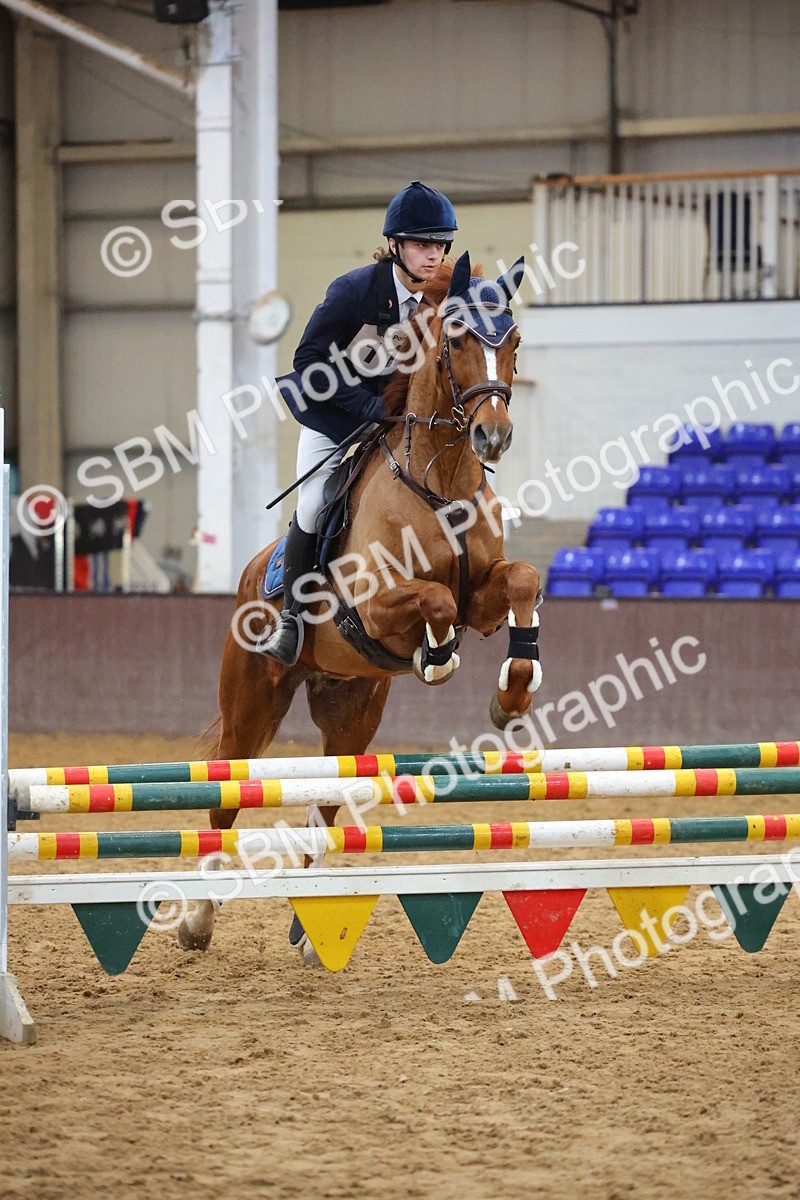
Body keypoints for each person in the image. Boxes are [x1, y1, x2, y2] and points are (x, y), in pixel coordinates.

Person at [263, 180, 458, 665]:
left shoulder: (440, 298)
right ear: (394, 246)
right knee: (312, 504)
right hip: (336, 420)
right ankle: (292, 617)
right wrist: (361, 404)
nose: (433, 256)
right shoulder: (354, 291)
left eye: (440, 245)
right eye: (422, 245)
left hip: (401, 429)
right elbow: (308, 360)